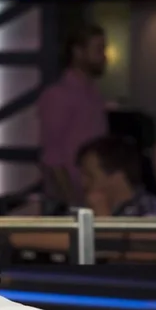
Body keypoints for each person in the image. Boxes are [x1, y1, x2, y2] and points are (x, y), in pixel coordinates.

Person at [37, 24, 110, 206]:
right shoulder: (58, 95)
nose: (104, 57)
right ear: (78, 52)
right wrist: (72, 203)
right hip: (70, 201)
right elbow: (52, 158)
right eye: (98, 49)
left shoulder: (95, 94)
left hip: (94, 197)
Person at [78, 135, 156, 217]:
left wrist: (103, 216)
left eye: (90, 176)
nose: (83, 183)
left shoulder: (149, 208)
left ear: (116, 177)